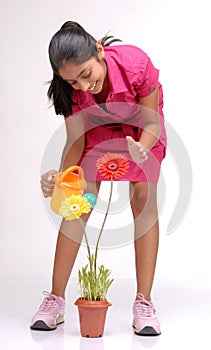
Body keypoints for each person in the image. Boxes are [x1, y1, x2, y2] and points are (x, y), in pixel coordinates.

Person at [30, 21, 167, 336]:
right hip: (97, 133)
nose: (82, 86)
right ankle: (55, 299)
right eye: (72, 81)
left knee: (144, 199)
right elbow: (76, 142)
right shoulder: (71, 88)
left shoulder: (135, 64)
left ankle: (143, 303)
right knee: (78, 205)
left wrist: (141, 149)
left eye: (86, 75)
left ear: (100, 52)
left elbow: (152, 125)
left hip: (140, 130)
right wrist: (63, 180)